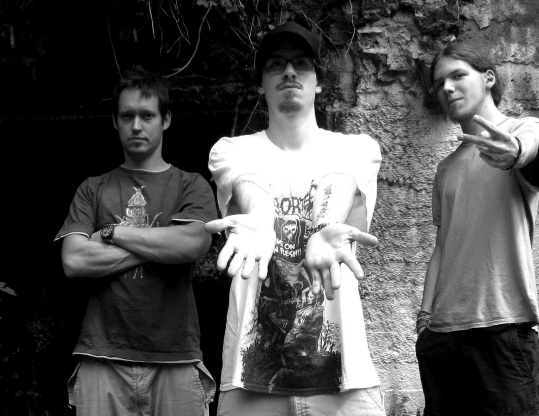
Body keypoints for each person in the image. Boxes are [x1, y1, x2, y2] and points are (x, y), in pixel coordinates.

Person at [204, 20, 386, 416]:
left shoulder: (357, 148)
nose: (289, 72)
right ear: (261, 84)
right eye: (276, 64)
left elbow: (339, 180)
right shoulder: (230, 150)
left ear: (318, 82)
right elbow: (248, 182)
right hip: (252, 381)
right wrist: (260, 219)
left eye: (301, 63)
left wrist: (323, 229)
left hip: (344, 380)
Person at [54, 66, 217, 416]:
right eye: (127, 116)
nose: (137, 125)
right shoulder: (93, 188)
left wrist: (113, 233)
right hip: (102, 355)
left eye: (147, 115)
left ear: (166, 119)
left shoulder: (191, 184)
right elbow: (74, 260)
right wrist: (164, 245)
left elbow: (192, 244)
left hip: (175, 356)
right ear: (115, 121)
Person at [415, 42, 539, 415]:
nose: (447, 88)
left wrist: (515, 152)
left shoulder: (523, 129)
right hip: (441, 338)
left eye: (458, 75)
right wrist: (425, 321)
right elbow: (443, 246)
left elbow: (527, 149)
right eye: (439, 82)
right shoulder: (445, 168)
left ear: (488, 78)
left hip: (502, 329)